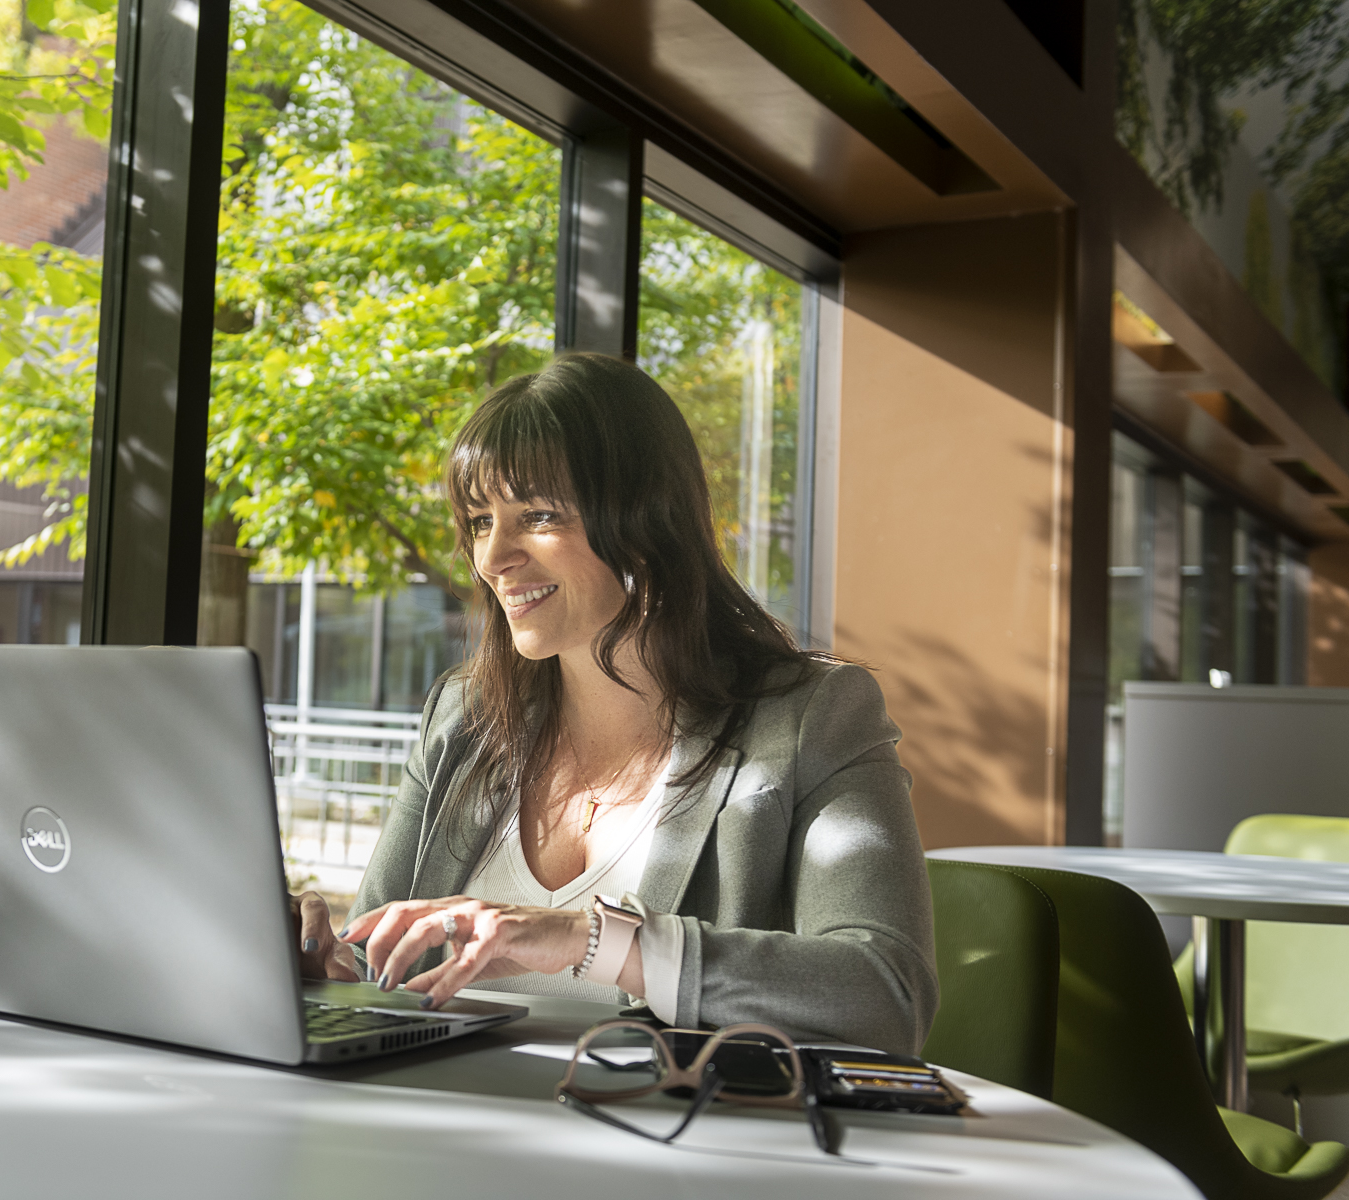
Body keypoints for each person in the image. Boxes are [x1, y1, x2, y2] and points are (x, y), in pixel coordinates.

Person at [292, 352, 937, 1055]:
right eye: (480, 521)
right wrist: (328, 967)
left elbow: (884, 993)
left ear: (648, 522)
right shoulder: (462, 717)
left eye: (537, 515)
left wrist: (592, 940)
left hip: (668, 1143)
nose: (493, 557)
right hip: (445, 1132)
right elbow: (380, 966)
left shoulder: (814, 717)